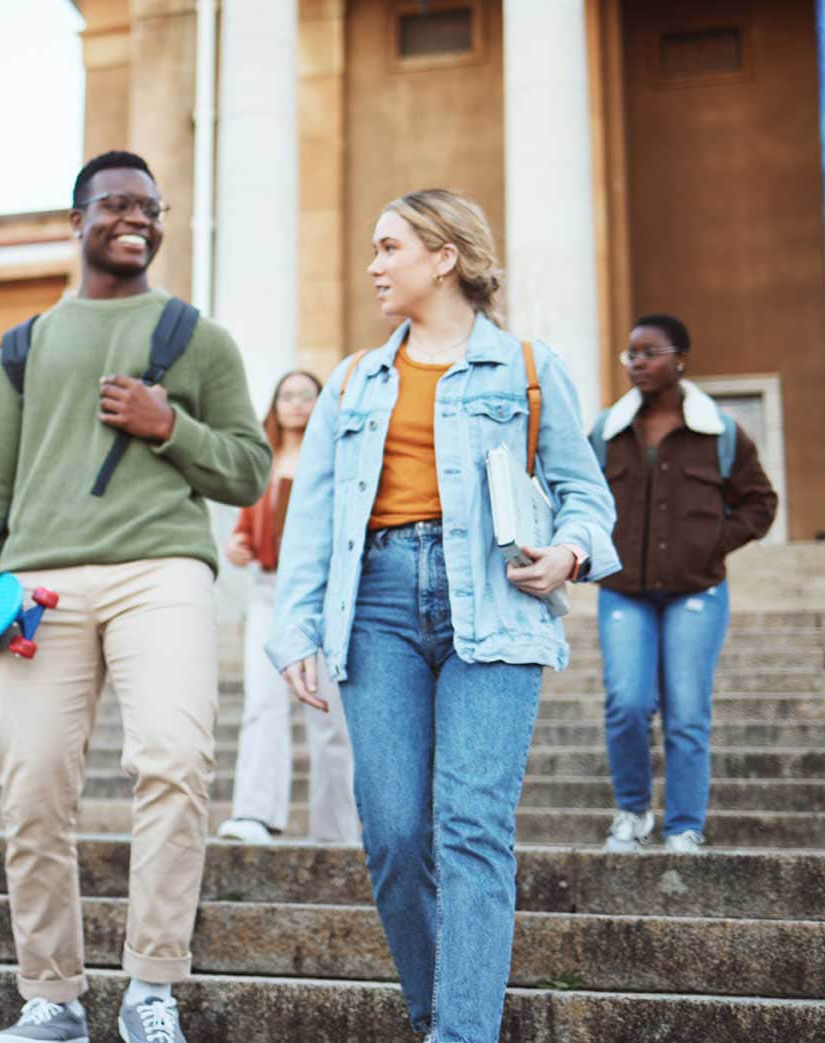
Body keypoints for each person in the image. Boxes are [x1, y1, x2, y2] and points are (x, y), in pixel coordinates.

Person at [267, 189, 618, 1043]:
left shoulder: (529, 368)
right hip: (376, 603)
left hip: (495, 604)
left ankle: (460, 1031)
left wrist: (569, 552)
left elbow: (586, 496)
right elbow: (311, 518)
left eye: (389, 247)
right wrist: (296, 631)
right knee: (391, 831)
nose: (373, 265)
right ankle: (434, 1007)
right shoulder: (352, 380)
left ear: (444, 257)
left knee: (471, 827)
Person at [0, 151, 270, 1043]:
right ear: (76, 219)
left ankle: (151, 986)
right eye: (116, 204)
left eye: (150, 207)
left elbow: (249, 468)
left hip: (161, 568)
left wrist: (168, 424)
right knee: (33, 788)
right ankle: (50, 995)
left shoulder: (196, 336)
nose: (135, 218)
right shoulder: (25, 341)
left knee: (173, 757)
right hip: (42, 583)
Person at [592, 313, 777, 855]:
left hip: (697, 590)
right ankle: (632, 813)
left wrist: (713, 542)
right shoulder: (606, 430)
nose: (638, 363)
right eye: (631, 354)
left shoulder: (719, 432)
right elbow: (576, 491)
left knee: (687, 709)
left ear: (680, 360)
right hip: (624, 590)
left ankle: (683, 825)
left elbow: (760, 503)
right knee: (626, 702)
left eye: (649, 352)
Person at [217, 370, 360, 846]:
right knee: (262, 701)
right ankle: (255, 813)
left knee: (328, 714)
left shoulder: (338, 459)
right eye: (287, 395)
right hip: (268, 589)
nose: (296, 404)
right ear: (274, 405)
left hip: (325, 594)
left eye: (306, 396)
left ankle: (337, 829)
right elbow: (245, 527)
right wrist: (238, 544)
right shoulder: (262, 461)